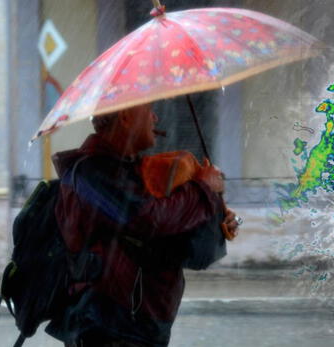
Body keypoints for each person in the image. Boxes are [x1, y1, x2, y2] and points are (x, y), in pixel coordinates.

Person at [45, 103, 239, 347]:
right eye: (148, 110)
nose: (155, 117)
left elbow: (169, 234)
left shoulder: (127, 170)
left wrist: (214, 213)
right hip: (110, 327)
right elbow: (148, 219)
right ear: (125, 116)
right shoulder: (92, 172)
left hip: (138, 325)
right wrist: (203, 190)